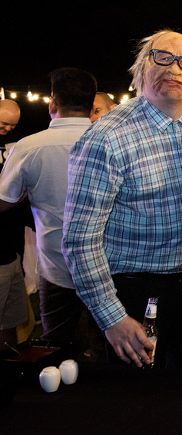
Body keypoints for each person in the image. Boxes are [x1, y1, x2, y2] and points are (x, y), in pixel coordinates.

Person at [63, 30, 182, 370]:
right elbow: (79, 240)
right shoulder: (106, 137)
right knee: (135, 408)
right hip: (134, 292)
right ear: (141, 68)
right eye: (162, 57)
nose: (174, 69)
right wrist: (111, 317)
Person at [0, 68, 96, 344]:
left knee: (55, 348)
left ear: (53, 103)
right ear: (90, 105)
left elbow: (3, 202)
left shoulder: (29, 147)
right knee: (111, 354)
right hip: (110, 264)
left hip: (56, 265)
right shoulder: (112, 142)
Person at [0, 99, 28, 349]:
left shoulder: (20, 141)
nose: (7, 130)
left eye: (12, 125)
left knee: (12, 318)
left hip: (12, 247)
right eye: (2, 124)